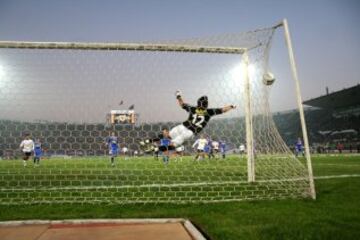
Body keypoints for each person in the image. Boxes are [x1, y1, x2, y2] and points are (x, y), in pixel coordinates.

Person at [169, 91, 236, 147]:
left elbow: (182, 104)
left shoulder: (193, 108)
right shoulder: (209, 112)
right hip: (191, 132)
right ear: (206, 105)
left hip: (183, 126)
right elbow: (223, 110)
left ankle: (165, 150)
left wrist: (178, 96)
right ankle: (168, 150)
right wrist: (231, 106)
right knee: (174, 143)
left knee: (169, 136)